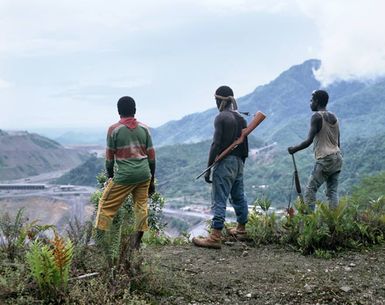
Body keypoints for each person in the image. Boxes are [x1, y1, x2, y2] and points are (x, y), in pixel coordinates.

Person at [95, 96, 156, 249]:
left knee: (105, 205)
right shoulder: (145, 129)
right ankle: (136, 244)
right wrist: (152, 180)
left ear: (118, 111)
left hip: (125, 176)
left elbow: (109, 159)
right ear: (135, 110)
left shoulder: (113, 130)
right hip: (144, 174)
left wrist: (110, 177)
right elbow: (152, 158)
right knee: (141, 206)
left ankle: (100, 242)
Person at [192, 85, 249, 249]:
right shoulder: (240, 118)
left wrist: (209, 167)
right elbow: (244, 144)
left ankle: (215, 236)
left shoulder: (221, 118)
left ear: (219, 101)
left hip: (225, 163)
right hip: (239, 162)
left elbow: (216, 144)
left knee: (219, 198)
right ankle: (241, 230)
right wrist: (240, 164)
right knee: (238, 195)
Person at [288, 89, 343, 211]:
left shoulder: (316, 117)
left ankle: (309, 221)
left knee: (310, 189)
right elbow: (338, 142)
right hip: (338, 157)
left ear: (317, 101)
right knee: (332, 192)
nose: (310, 103)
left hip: (325, 158)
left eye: (311, 100)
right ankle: (334, 221)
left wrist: (293, 149)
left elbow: (308, 141)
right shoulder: (334, 117)